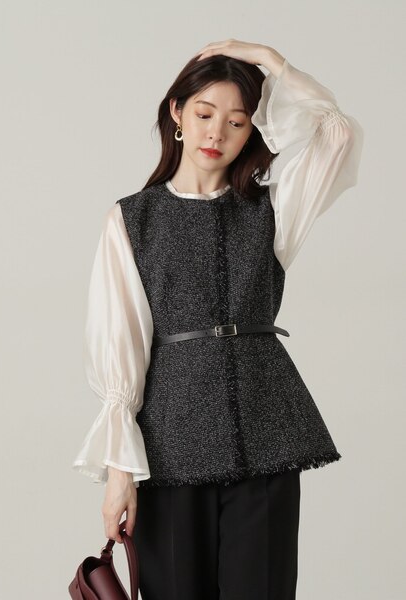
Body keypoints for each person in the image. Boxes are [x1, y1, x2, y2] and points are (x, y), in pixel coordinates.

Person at [72, 39, 364, 600]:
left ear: (253, 129)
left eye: (237, 121)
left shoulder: (273, 209)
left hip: (268, 433)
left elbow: (337, 134)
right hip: (169, 445)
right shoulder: (133, 220)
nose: (217, 134)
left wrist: (273, 64)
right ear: (177, 113)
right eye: (205, 114)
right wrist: (119, 476)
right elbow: (121, 346)